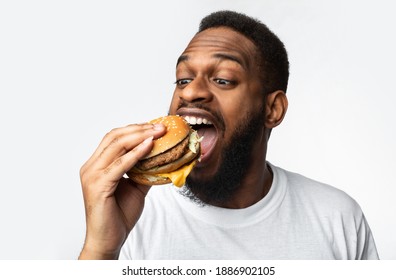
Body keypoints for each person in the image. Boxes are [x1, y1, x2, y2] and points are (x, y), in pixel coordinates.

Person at [78, 10, 379, 260]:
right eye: (182, 79)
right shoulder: (131, 216)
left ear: (272, 109)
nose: (191, 91)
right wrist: (100, 250)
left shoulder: (336, 218)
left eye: (223, 79)